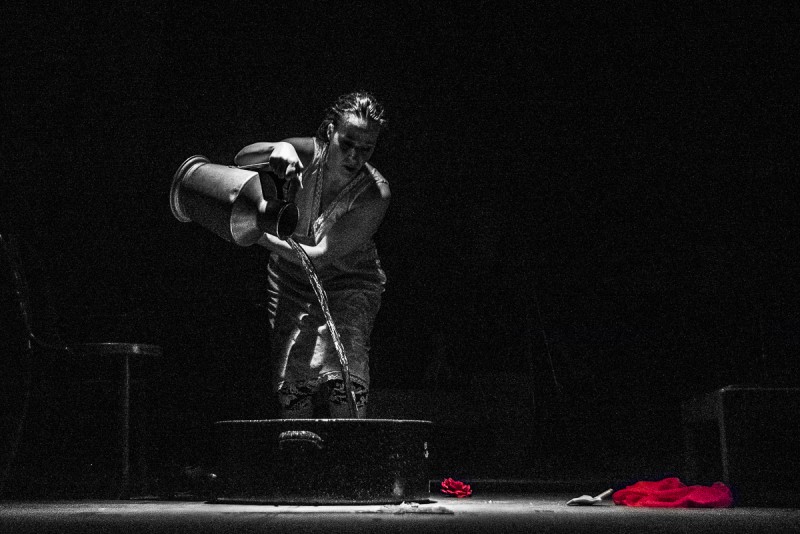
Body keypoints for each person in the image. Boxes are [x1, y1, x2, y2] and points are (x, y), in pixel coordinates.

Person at [234, 91, 390, 419]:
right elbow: (241, 159)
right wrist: (277, 150)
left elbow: (318, 256)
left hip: (349, 282)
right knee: (293, 386)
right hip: (290, 280)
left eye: (366, 148)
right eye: (347, 143)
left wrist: (254, 230)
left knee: (345, 383)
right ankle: (299, 449)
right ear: (330, 130)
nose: (354, 156)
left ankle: (349, 448)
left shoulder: (375, 193)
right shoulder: (307, 153)